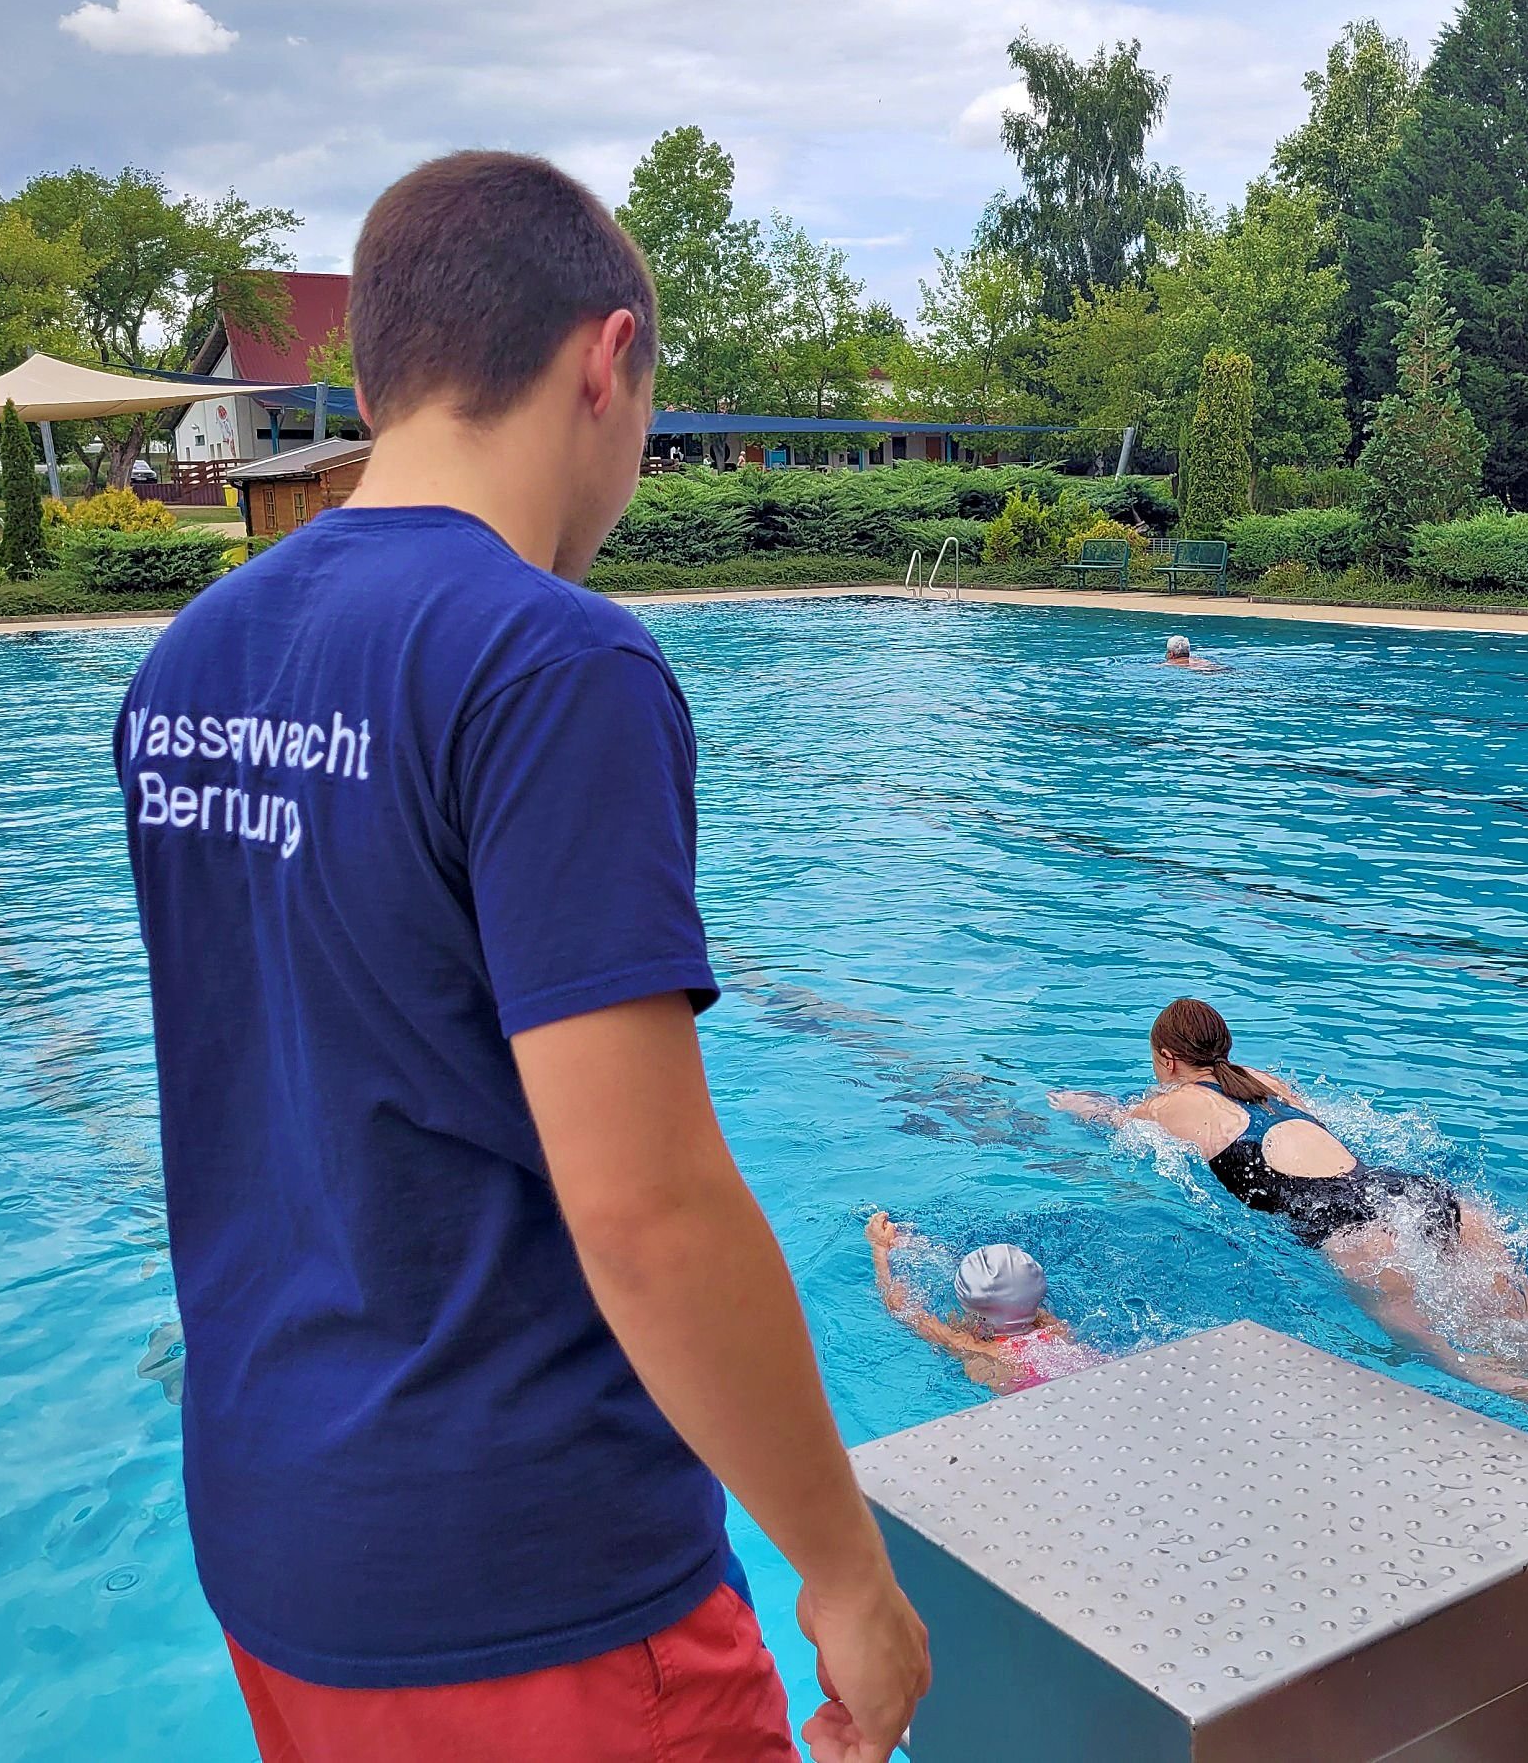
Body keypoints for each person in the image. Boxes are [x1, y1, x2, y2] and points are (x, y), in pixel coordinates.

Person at [116, 151, 926, 1763]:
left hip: (278, 1540)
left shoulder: (184, 667)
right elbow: (643, 1205)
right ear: (604, 358)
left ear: (381, 370)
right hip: (529, 1573)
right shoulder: (552, 658)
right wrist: (845, 1571)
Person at [1053, 999, 1528, 1516]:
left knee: (1466, 1362)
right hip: (1418, 1195)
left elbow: (1118, 1126)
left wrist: (1073, 1105)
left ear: (1165, 1057)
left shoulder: (1170, 1102)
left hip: (1356, 1231)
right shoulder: (1267, 1082)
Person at [866, 1213, 1104, 1394]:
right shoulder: (1056, 1329)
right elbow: (1009, 1290)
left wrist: (879, 1249)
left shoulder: (978, 1348)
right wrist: (914, 1245)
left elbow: (900, 1307)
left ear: (977, 1313)